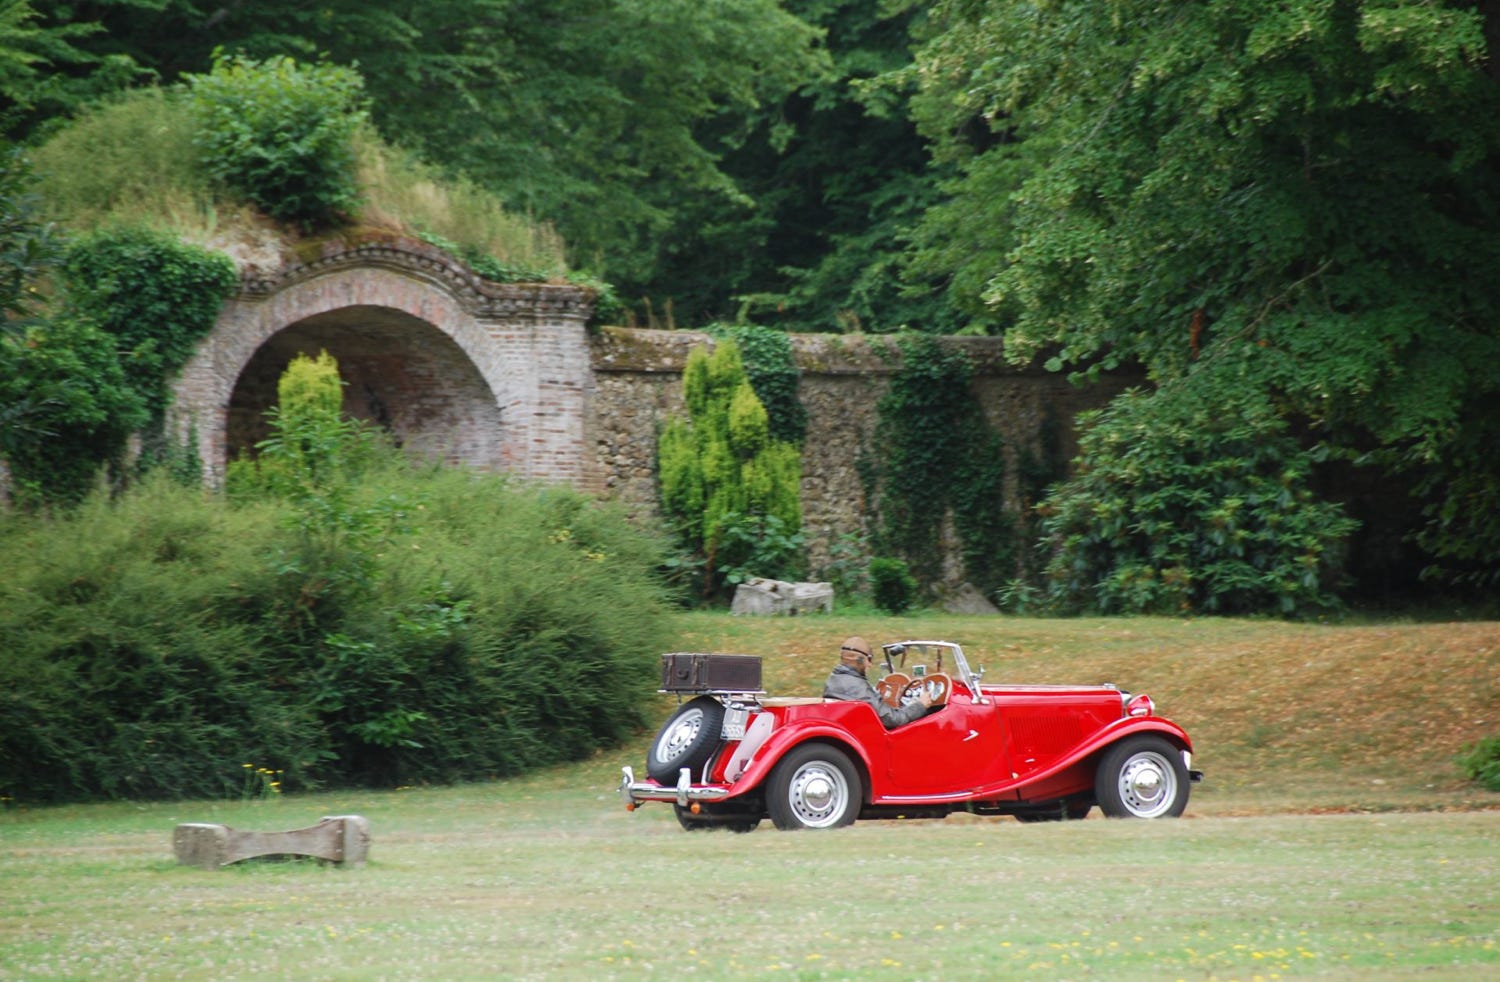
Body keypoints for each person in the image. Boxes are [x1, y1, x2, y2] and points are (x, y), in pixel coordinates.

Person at [823, 635, 933, 728]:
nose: (870, 664)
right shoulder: (859, 689)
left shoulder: (832, 680)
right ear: (861, 660)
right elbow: (893, 719)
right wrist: (920, 705)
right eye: (869, 659)